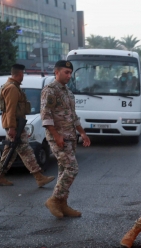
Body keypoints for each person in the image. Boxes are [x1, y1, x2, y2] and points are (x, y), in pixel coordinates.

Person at [40, 60, 91, 218]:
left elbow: (73, 116)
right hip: (59, 137)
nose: (69, 75)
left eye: (70, 73)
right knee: (72, 169)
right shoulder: (50, 90)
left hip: (70, 136)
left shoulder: (68, 92)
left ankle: (63, 203)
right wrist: (56, 136)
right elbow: (46, 116)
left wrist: (82, 133)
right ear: (57, 72)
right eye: (66, 72)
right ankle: (54, 200)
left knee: (63, 171)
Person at [0, 63, 55, 187]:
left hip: (15, 124)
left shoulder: (11, 86)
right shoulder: (12, 88)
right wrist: (12, 127)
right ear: (20, 74)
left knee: (10, 151)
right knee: (25, 150)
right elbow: (10, 109)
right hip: (15, 125)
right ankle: (39, 177)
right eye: (23, 74)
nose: (23, 77)